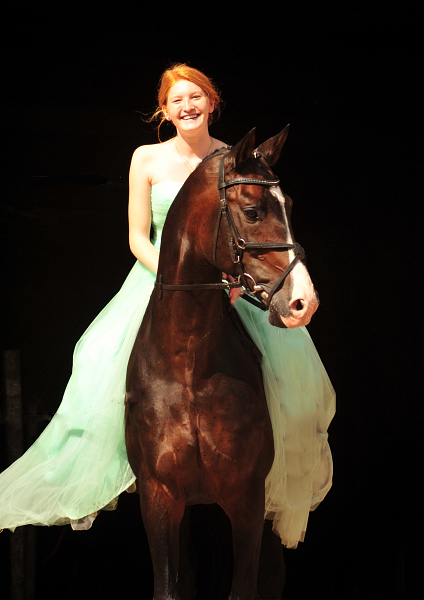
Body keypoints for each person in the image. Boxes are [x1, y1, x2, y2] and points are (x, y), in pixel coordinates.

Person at [0, 64, 335, 550]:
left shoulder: (230, 158)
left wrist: (229, 279)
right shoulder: (147, 158)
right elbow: (138, 238)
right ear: (164, 110)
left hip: (231, 282)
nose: (187, 106)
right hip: (160, 278)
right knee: (96, 359)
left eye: (196, 96)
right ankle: (116, 457)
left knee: (289, 365)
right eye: (177, 99)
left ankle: (275, 462)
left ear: (212, 103)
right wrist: (182, 277)